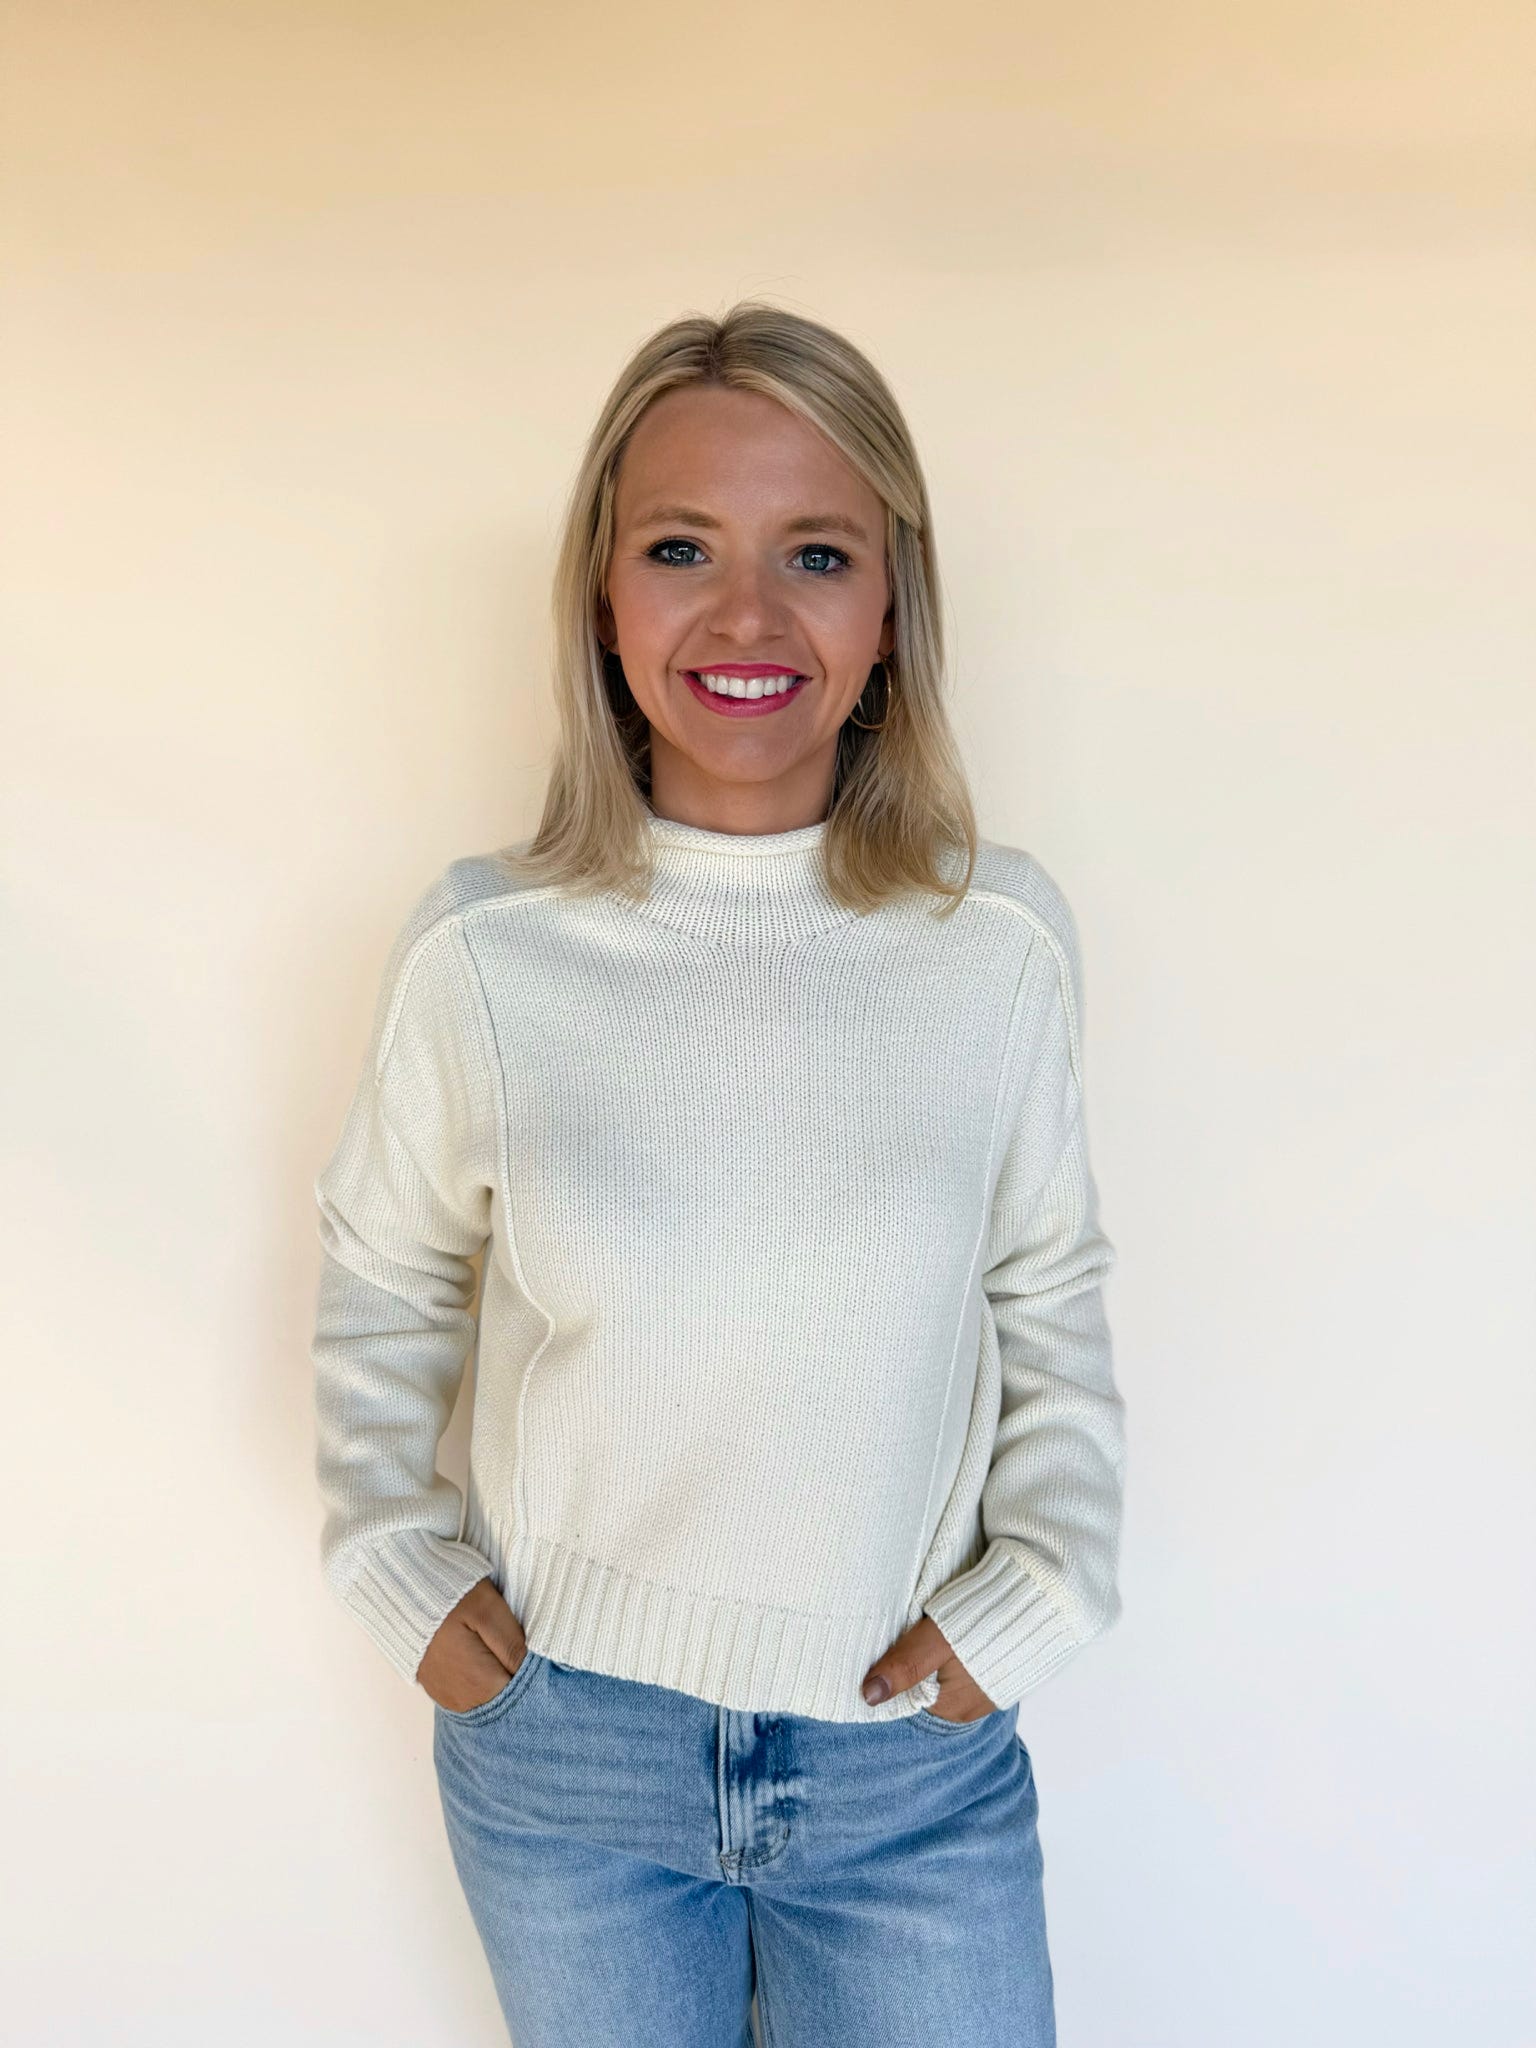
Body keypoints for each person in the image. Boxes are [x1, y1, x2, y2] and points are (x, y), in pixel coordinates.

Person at [310, 300, 1126, 2048]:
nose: (747, 616)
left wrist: (1042, 1591)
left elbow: (1045, 1287)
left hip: (908, 1765)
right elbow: (383, 1281)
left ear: (891, 609)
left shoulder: (996, 945)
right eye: (680, 548)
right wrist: (400, 1570)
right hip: (569, 1765)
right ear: (602, 601)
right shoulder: (484, 956)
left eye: (816, 554)